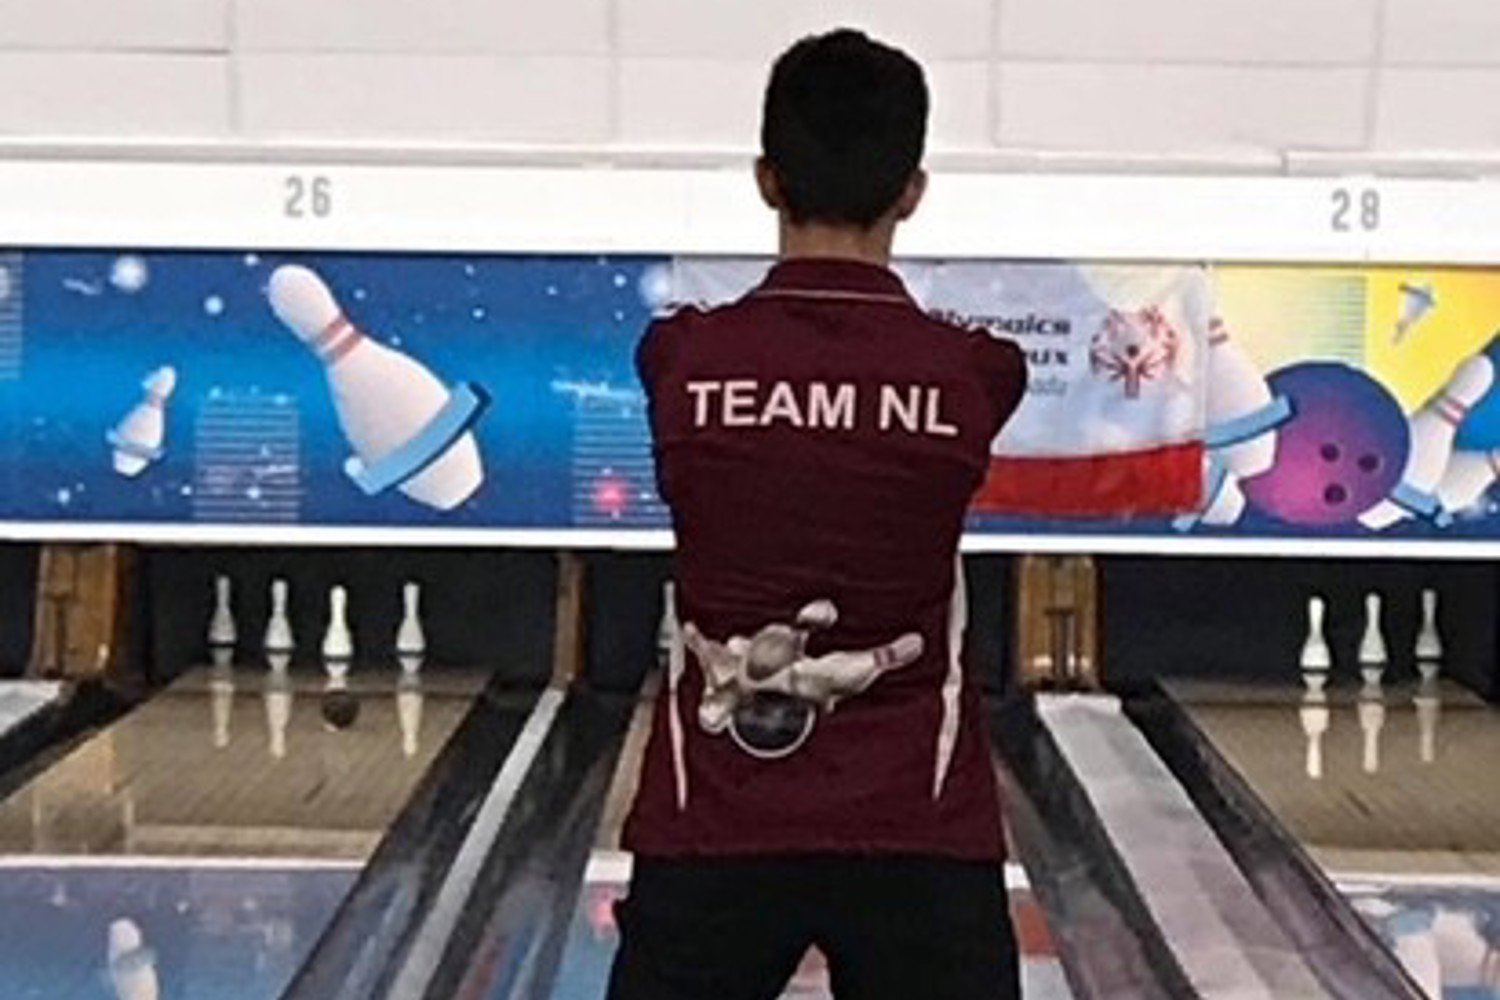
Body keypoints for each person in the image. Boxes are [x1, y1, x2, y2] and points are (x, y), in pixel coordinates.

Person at [610, 28, 1029, 1000]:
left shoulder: (682, 357)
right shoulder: (971, 372)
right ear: (913, 188)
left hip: (712, 828)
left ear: (766, 178)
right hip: (919, 838)